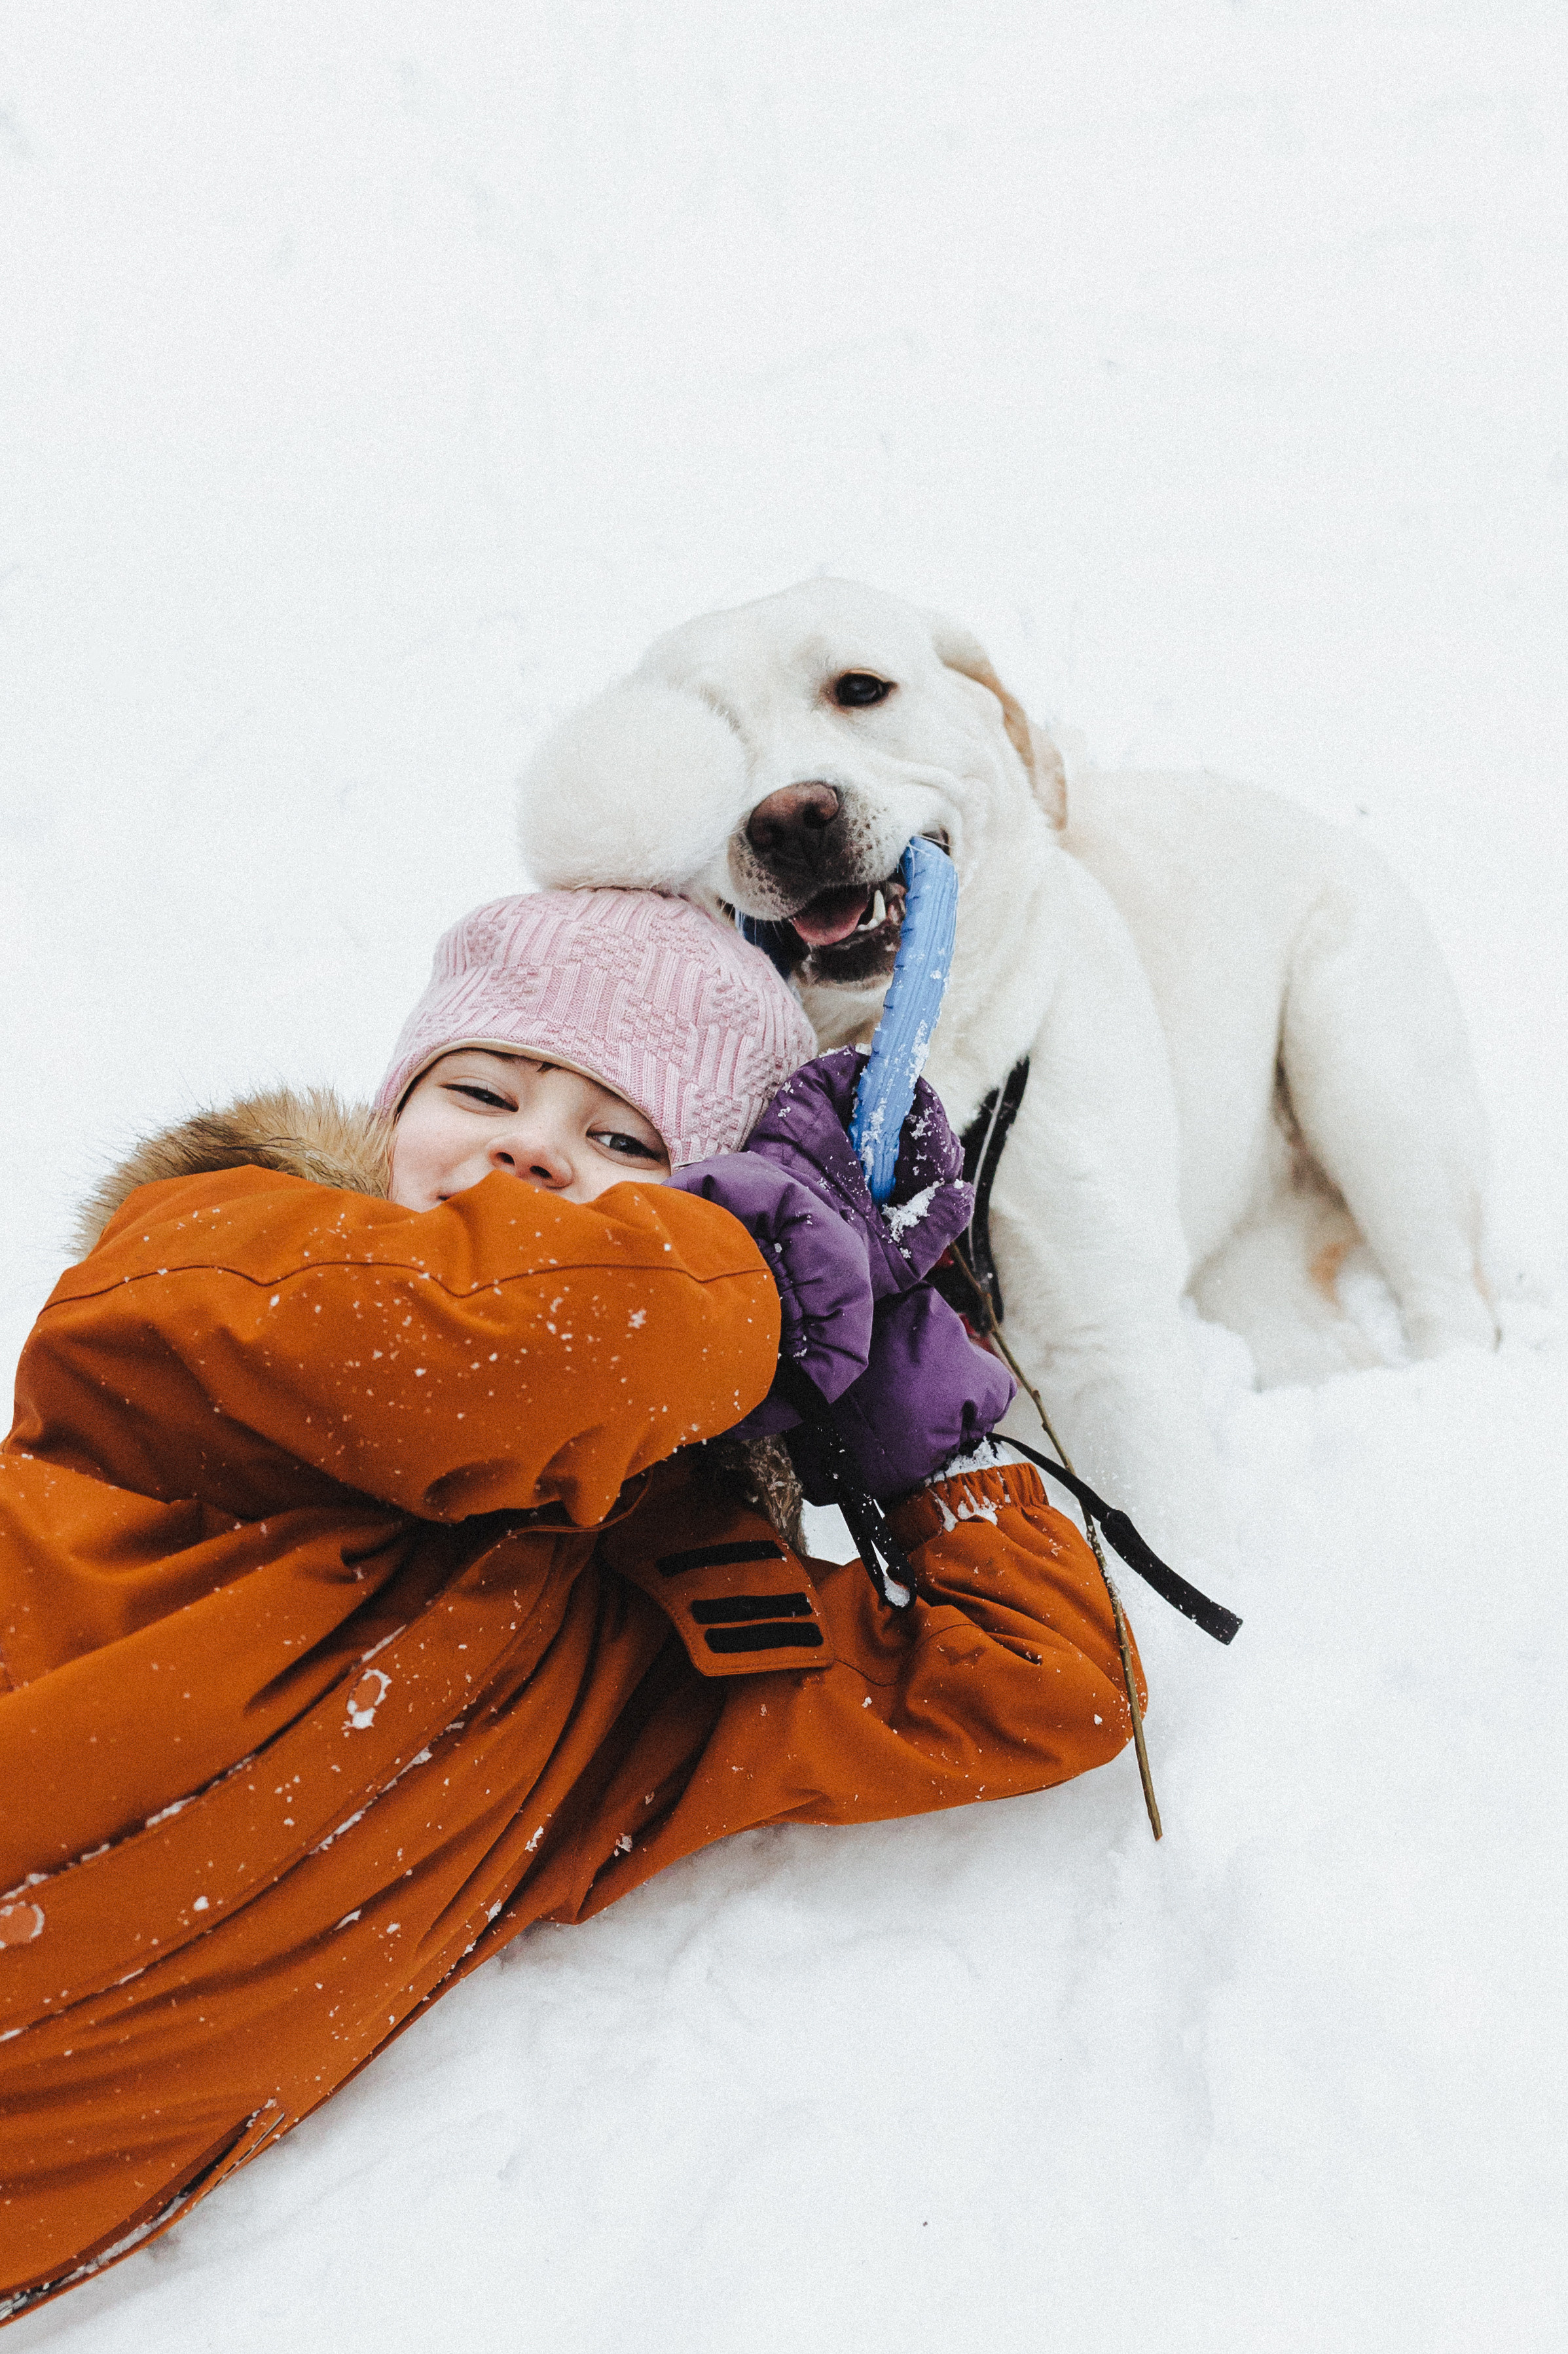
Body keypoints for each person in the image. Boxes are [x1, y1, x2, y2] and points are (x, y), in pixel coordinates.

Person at [0, 887, 1143, 2322]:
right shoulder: (219, 1264)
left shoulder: (642, 1621)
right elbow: (513, 1341)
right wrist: (759, 1277)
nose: (533, 1144)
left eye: (626, 1140)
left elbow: (1031, 1689)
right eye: (480, 1086)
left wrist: (925, 1439)